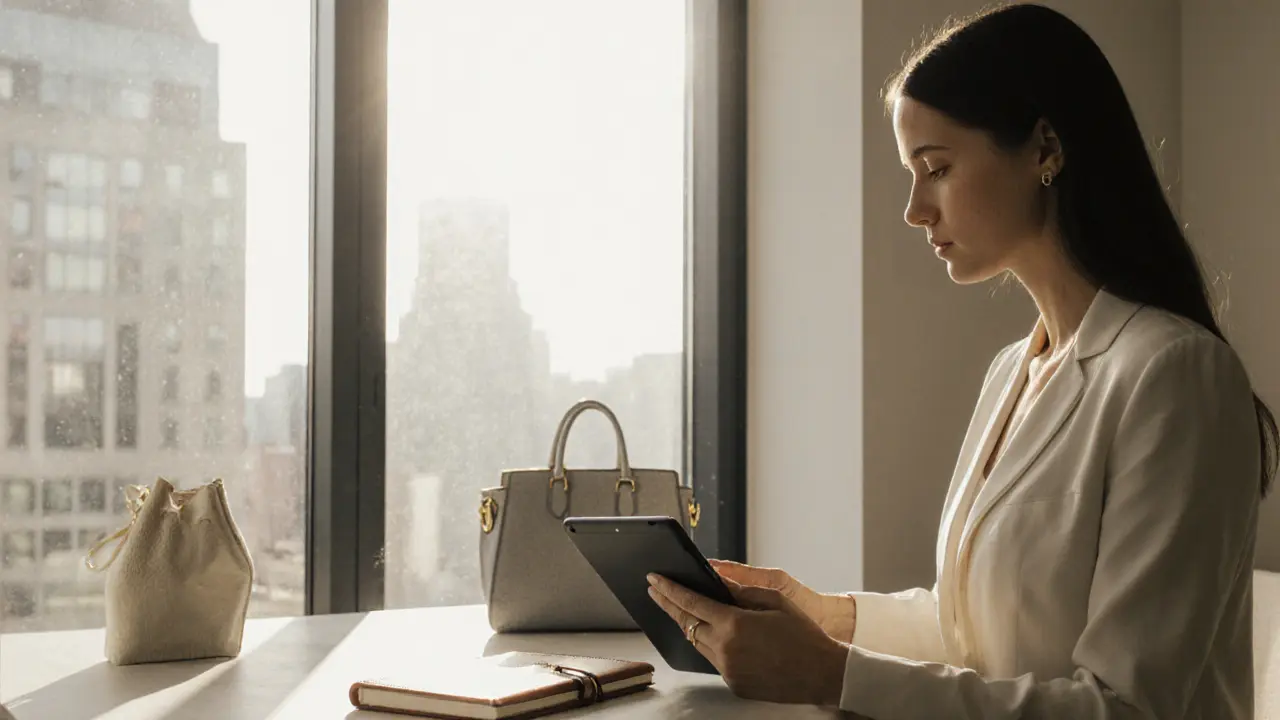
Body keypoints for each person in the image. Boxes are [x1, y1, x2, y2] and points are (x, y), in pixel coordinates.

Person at [646, 4, 1279, 718]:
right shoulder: (1014, 371)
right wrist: (821, 615)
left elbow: (1127, 708)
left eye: (936, 168)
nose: (915, 209)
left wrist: (834, 676)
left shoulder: (1175, 376)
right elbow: (974, 634)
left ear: (1045, 147)